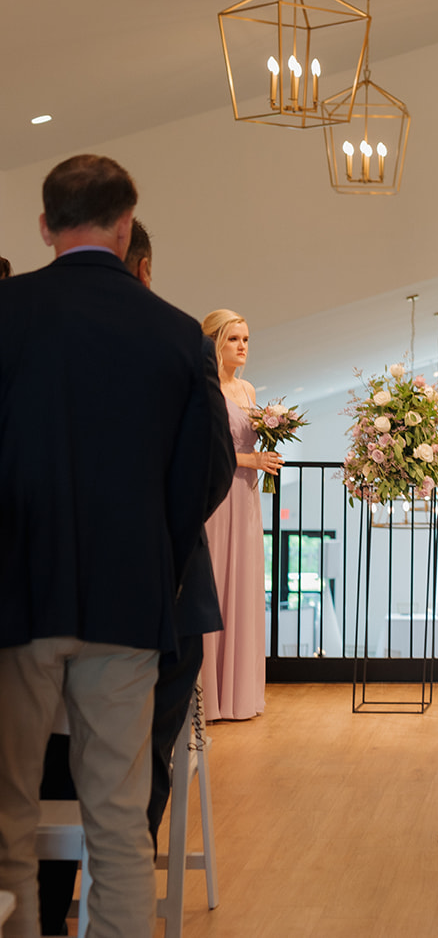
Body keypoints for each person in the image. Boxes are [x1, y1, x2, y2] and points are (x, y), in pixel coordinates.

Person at [0, 154, 232, 937]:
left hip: (14, 601)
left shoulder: (6, 313)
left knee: (8, 815)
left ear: (44, 226)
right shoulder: (173, 333)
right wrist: (155, 554)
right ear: (126, 223)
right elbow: (203, 474)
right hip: (129, 602)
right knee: (120, 817)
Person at [200, 309, 280, 721]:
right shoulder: (205, 387)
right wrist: (252, 458)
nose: (243, 346)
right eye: (234, 339)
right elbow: (205, 448)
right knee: (215, 580)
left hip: (247, 498)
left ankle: (240, 694)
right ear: (216, 342)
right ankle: (209, 696)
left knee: (245, 583)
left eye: (246, 338)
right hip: (219, 496)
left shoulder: (247, 389)